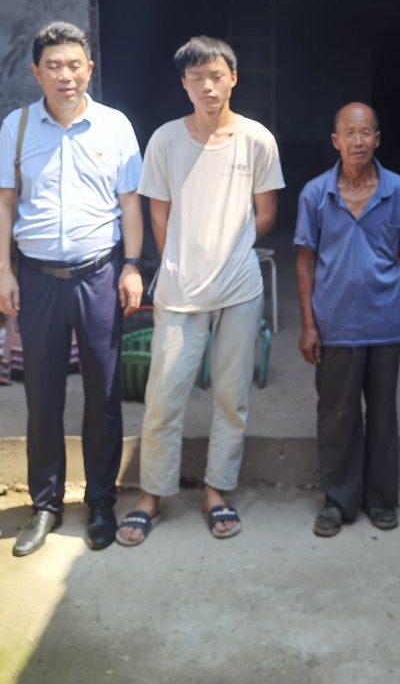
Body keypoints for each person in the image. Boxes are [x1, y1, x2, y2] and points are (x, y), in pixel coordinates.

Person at [117, 36, 284, 546]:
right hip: (179, 289)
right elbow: (159, 214)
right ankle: (152, 494)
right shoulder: (166, 140)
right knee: (163, 397)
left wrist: (230, 252)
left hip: (239, 289)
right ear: (184, 84)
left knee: (232, 397)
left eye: (216, 76)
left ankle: (216, 490)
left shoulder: (257, 139)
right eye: (196, 78)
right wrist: (183, 261)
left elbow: (266, 212)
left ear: (233, 78)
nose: (207, 86)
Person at [0, 22, 144, 557]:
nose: (65, 75)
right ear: (37, 72)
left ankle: (101, 500)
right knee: (43, 395)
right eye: (53, 66)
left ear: (89, 69)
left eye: (74, 65)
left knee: (104, 393)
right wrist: (3, 271)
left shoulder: (115, 126)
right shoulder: (17, 126)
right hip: (38, 279)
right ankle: (46, 504)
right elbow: (3, 201)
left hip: (99, 275)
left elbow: (130, 202)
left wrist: (132, 266)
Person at [295, 103, 400, 538]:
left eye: (366, 132)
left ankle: (381, 498)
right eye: (349, 134)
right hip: (335, 323)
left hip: (385, 321)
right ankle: (337, 501)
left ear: (377, 139)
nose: (358, 141)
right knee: (338, 416)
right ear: (336, 141)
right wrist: (308, 325)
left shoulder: (398, 190)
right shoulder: (315, 193)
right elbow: (304, 261)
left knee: (383, 417)